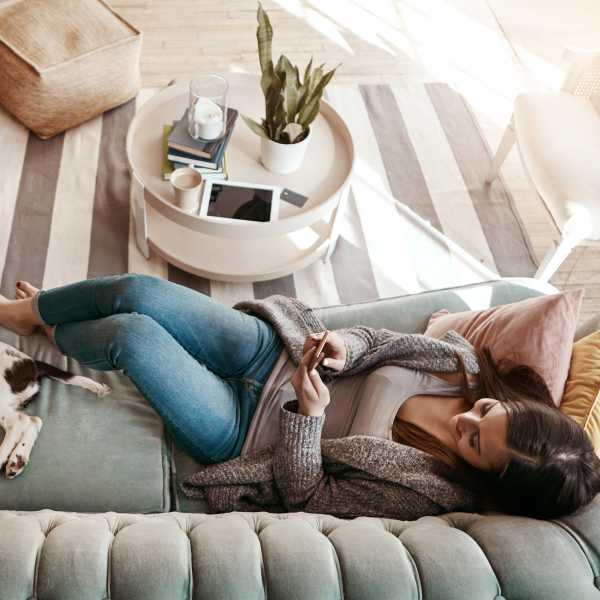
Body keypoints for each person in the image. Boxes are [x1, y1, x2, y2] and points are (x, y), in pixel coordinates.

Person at [1, 273, 598, 520]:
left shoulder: (426, 492)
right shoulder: (462, 363)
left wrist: (308, 419)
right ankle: (27, 312)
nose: (469, 417)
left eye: (474, 441)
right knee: (140, 289)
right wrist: (344, 345)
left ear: (488, 478)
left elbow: (307, 495)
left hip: (241, 428)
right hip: (271, 353)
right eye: (490, 412)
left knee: (132, 334)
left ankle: (55, 331)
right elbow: (381, 341)